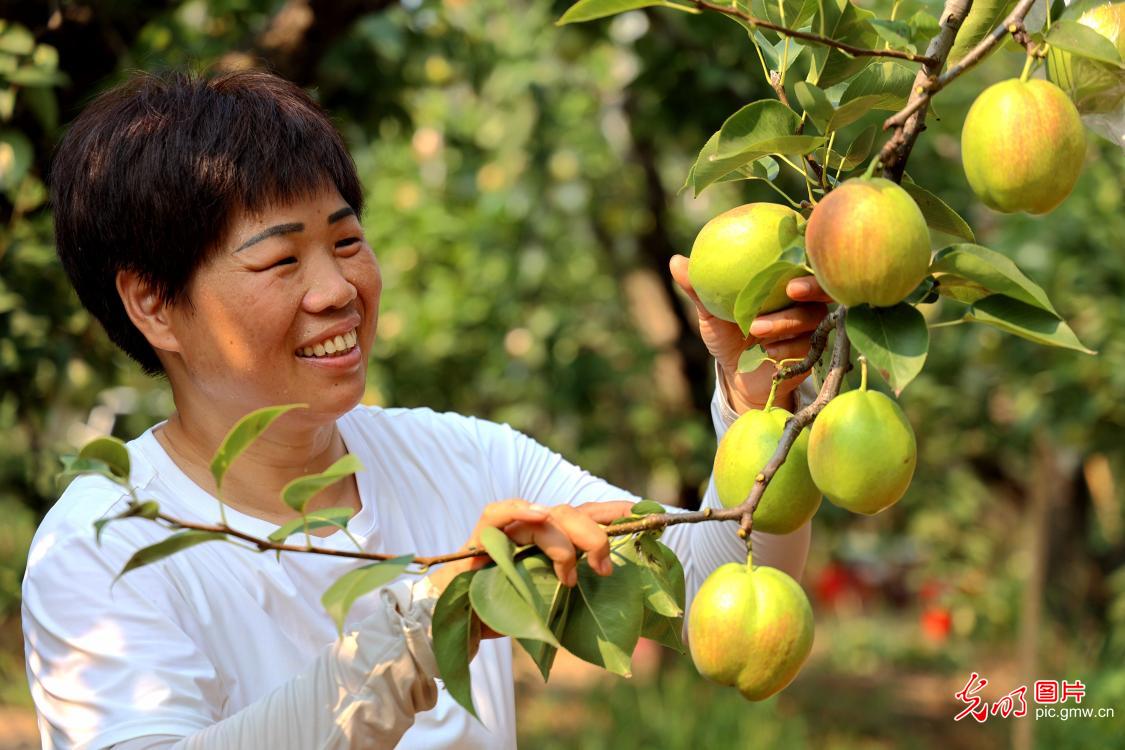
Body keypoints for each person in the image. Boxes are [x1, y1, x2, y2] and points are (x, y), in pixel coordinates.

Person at [22, 70, 831, 749]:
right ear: (153, 303)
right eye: (278, 259)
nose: (338, 291)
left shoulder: (463, 462)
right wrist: (414, 630)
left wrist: (759, 405)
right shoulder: (103, 545)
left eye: (345, 242)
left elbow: (710, 595)